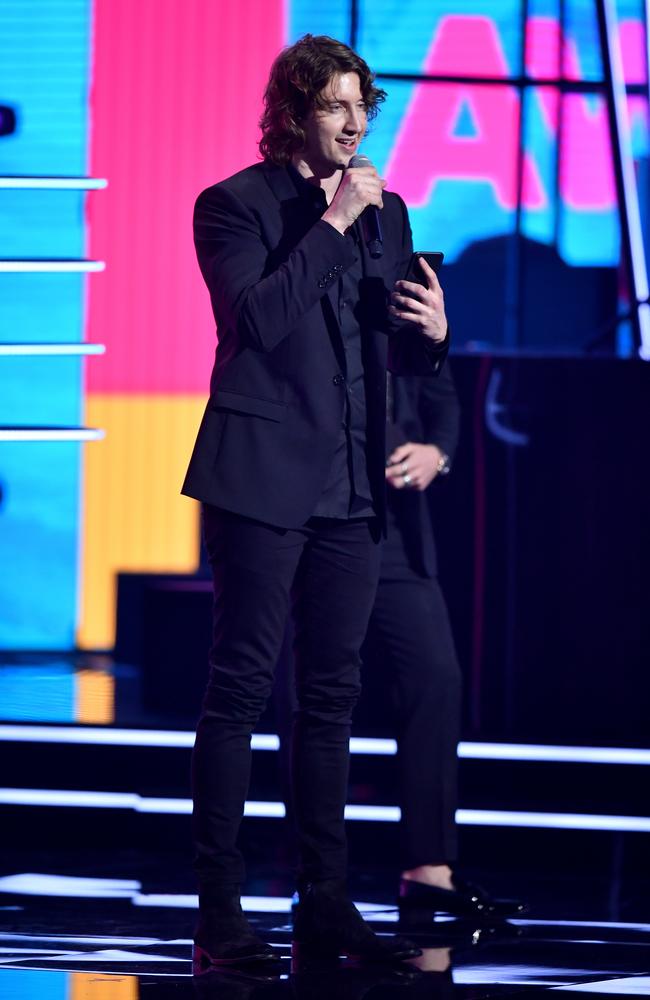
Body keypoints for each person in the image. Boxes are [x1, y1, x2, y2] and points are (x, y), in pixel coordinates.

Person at [182, 34, 449, 968]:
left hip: (350, 488)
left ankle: (324, 901)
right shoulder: (233, 207)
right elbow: (254, 322)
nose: (355, 123)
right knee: (240, 693)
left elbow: (398, 355)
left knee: (331, 699)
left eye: (362, 107)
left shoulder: (390, 213)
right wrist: (333, 224)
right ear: (293, 112)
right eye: (336, 106)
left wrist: (436, 335)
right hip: (260, 478)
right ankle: (220, 912)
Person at [370, 368, 526, 922]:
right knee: (314, 691)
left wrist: (437, 452)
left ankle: (428, 868)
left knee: (436, 676)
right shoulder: (308, 275)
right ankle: (314, 877)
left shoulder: (418, 282)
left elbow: (440, 394)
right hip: (314, 508)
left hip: (397, 524)